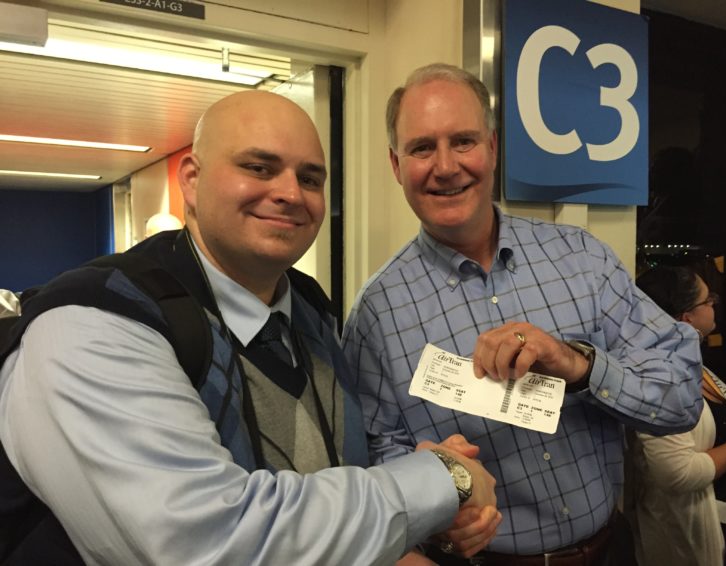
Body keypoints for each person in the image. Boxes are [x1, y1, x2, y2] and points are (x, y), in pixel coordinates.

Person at [0, 90, 499, 565]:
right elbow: (215, 543)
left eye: (310, 179)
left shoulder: (309, 309)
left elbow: (338, 483)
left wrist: (425, 513)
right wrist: (440, 480)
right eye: (258, 168)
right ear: (191, 180)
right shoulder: (93, 324)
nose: (288, 193)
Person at [342, 63, 704, 565]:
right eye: (422, 147)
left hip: (611, 549)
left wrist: (580, 367)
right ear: (395, 164)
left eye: (463, 141)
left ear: (491, 148)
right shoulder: (375, 314)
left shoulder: (583, 259)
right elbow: (377, 458)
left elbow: (682, 398)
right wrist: (436, 507)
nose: (445, 166)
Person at [626, 266, 726, 566]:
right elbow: (678, 473)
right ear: (686, 318)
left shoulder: (692, 363)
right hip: (690, 532)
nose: (714, 306)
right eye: (708, 301)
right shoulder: (658, 379)